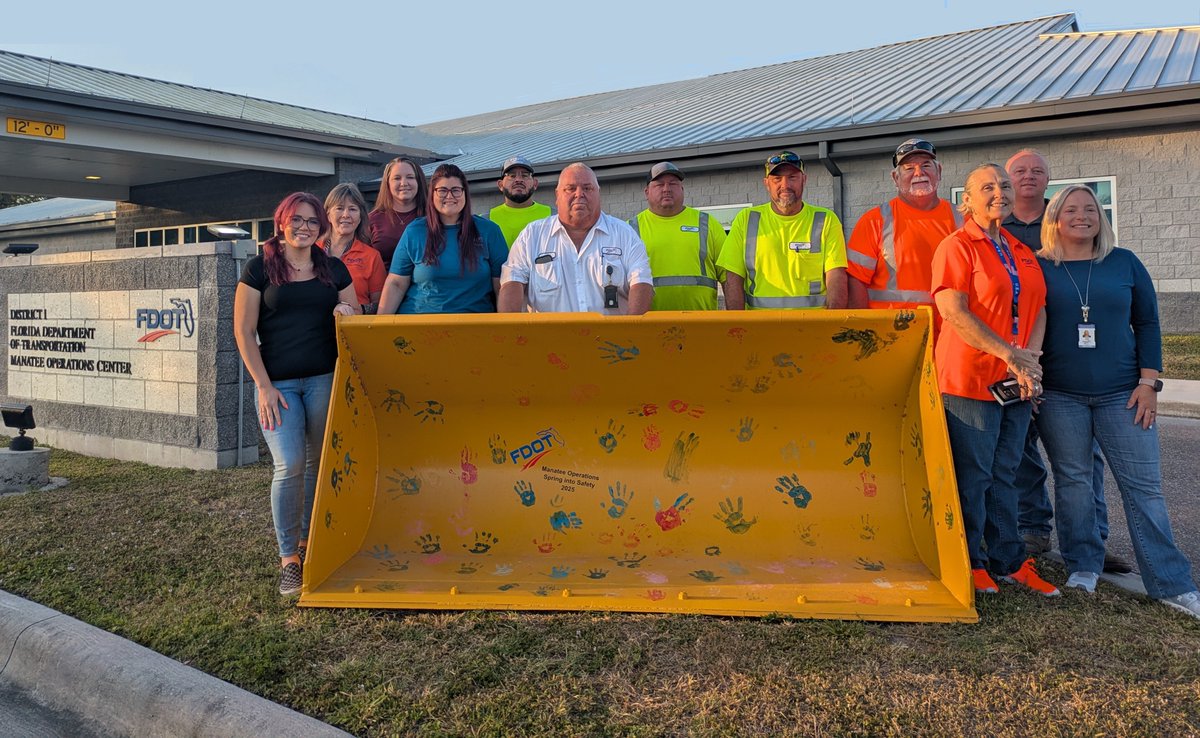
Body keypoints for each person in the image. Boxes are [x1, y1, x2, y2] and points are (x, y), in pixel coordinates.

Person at [1033, 185, 1199, 616]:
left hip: (1123, 395)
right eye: (1071, 209)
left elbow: (1147, 323)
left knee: (1144, 489)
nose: (1082, 216)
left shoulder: (1124, 262)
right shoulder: (1039, 267)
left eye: (1091, 208)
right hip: (1060, 396)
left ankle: (1171, 582)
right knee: (1073, 484)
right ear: (1055, 218)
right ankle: (1083, 566)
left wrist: (1150, 383)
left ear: (1100, 217)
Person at [931, 163, 1059, 598]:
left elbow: (1038, 308)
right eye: (986, 187)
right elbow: (954, 312)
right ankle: (972, 562)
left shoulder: (1020, 250)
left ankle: (1008, 560)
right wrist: (1010, 354)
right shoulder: (956, 246)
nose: (998, 192)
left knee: (1007, 472)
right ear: (965, 201)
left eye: (1003, 185)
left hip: (1016, 380)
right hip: (970, 380)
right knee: (975, 475)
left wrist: (1030, 362)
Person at [1004, 150, 1126, 572]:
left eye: (1038, 170)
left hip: (1071, 363)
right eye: (1019, 171)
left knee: (1082, 459)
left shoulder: (1064, 221)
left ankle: (1093, 540)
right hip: (1020, 354)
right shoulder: (996, 226)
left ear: (1048, 179)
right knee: (1021, 449)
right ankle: (1033, 528)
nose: (1028, 177)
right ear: (1008, 179)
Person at [233, 192, 359, 596]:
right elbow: (243, 332)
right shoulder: (259, 269)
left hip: (323, 378)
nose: (304, 227)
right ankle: (289, 557)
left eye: (312, 221)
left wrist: (346, 313)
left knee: (316, 464)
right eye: (297, 220)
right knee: (288, 464)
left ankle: (308, 543)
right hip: (278, 386)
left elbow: (353, 313)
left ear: (321, 227)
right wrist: (263, 386)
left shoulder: (333, 269)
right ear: (282, 222)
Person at [498, 162, 653, 314]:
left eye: (587, 188)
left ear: (598, 193)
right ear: (557, 196)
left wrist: (630, 332)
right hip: (550, 339)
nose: (579, 194)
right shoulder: (532, 235)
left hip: (611, 339)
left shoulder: (624, 234)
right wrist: (511, 334)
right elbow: (512, 282)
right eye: (570, 188)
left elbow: (642, 284)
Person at [717, 151, 847, 310]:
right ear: (766, 183)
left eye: (792, 177)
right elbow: (733, 277)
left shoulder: (826, 219)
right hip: (761, 329)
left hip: (812, 329)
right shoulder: (746, 219)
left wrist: (833, 326)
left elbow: (836, 276)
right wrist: (737, 327)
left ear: (804, 180)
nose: (785, 185)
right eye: (777, 179)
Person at [377, 163, 508, 314]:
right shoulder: (415, 231)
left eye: (456, 190)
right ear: (432, 194)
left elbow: (502, 287)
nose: (449, 196)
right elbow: (396, 283)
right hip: (419, 325)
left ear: (465, 193)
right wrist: (380, 327)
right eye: (442, 191)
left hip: (474, 326)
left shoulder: (489, 231)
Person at [847, 139, 961, 309]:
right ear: (895, 178)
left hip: (950, 329)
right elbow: (855, 282)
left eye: (926, 165)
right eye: (909, 168)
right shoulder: (874, 221)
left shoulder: (963, 218)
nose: (918, 173)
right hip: (894, 331)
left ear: (939, 171)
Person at [628, 161, 726, 310]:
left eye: (673, 184)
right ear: (647, 192)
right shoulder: (630, 229)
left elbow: (729, 277)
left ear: (682, 189)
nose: (667, 189)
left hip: (701, 324)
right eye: (659, 184)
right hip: (648, 326)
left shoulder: (707, 224)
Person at [321, 183, 386, 314]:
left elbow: (379, 305)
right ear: (328, 215)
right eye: (339, 208)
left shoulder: (371, 256)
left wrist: (357, 310)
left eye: (352, 209)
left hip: (353, 328)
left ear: (360, 216)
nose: (346, 215)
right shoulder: (312, 251)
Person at [368, 156, 428, 268]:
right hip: (384, 284)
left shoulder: (433, 217)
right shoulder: (371, 220)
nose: (404, 183)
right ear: (387, 183)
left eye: (410, 177)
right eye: (397, 178)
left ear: (419, 181)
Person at [489, 156, 552, 248]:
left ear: (535, 184)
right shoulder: (486, 220)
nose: (518, 180)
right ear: (500, 185)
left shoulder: (553, 216)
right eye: (512, 175)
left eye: (525, 175)